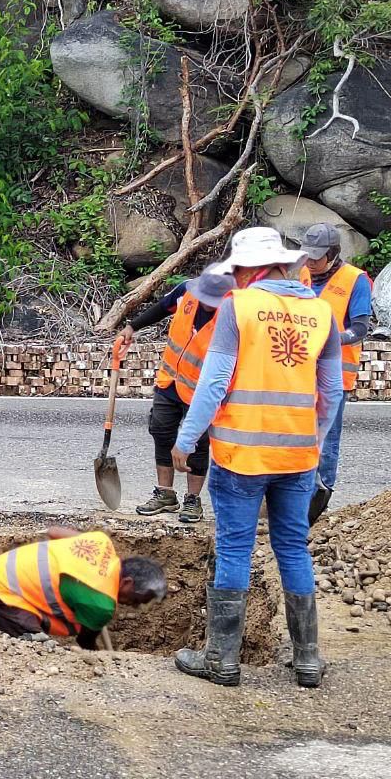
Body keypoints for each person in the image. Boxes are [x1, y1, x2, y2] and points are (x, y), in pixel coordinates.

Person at [171, 227, 343, 689]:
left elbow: (213, 384)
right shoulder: (321, 312)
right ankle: (308, 660)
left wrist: (185, 441)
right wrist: (315, 440)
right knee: (292, 548)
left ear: (247, 269)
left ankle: (221, 660)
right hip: (298, 456)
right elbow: (332, 392)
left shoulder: (238, 308)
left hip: (241, 455)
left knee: (233, 548)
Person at [118, 269, 236, 523]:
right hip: (169, 380)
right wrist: (132, 326)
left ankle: (192, 499)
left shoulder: (234, 310)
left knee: (198, 442)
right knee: (161, 430)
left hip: (201, 391)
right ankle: (165, 493)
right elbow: (162, 307)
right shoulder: (187, 290)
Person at [0, 526, 166, 649]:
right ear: (127, 582)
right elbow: (85, 642)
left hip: (4, 564)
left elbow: (55, 532)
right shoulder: (102, 605)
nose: (134, 605)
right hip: (4, 591)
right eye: (136, 599)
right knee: (35, 651)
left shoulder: (101, 542)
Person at [298, 222, 373, 522]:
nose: (310, 262)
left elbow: (359, 328)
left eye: (316, 257)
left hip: (333, 375)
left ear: (332, 254)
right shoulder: (301, 274)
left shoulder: (356, 280)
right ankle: (295, 495)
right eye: (307, 256)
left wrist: (328, 338)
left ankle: (320, 496)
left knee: (326, 439)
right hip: (298, 371)